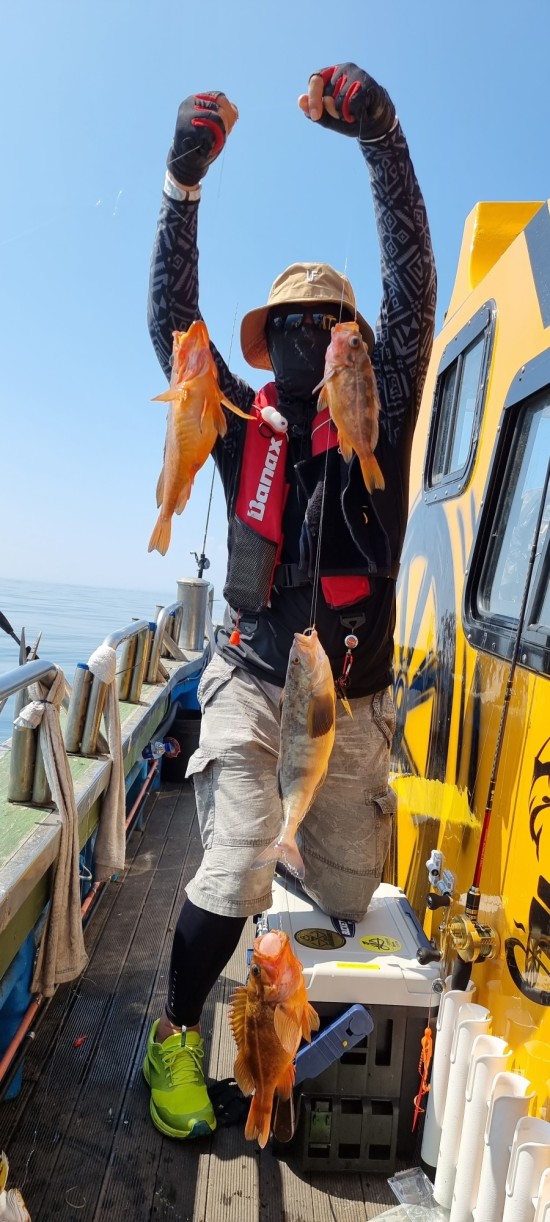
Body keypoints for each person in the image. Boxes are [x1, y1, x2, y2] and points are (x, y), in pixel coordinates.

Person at [143, 64, 436, 1140]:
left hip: (353, 702)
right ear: (273, 342)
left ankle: (294, 1038)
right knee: (232, 868)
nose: (316, 335)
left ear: (353, 338)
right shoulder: (237, 420)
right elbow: (173, 326)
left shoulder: (381, 400)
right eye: (296, 323)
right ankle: (175, 1035)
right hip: (252, 675)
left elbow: (413, 279)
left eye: (330, 320)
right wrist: (182, 190)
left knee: (350, 905)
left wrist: (383, 139)